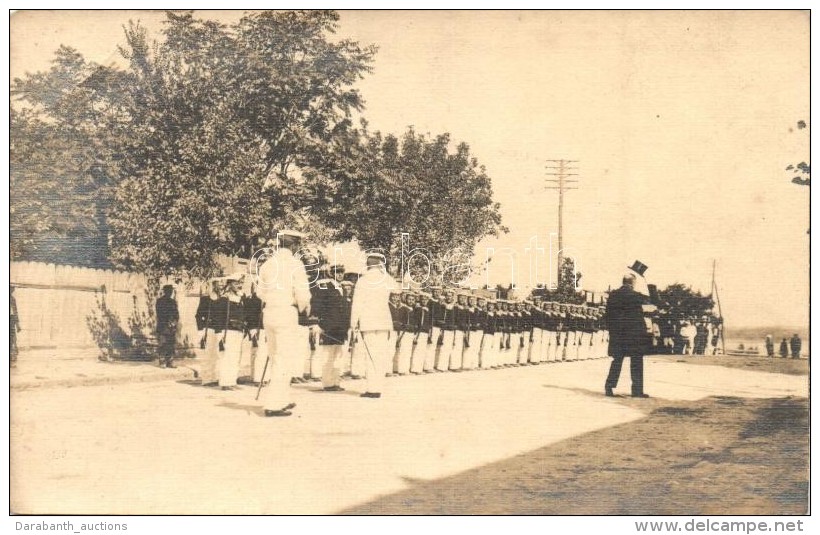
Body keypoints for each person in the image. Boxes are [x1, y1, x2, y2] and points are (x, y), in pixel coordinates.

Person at [257, 230, 312, 417]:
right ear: (294, 245)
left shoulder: (267, 264)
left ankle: (283, 398)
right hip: (286, 312)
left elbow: (259, 292)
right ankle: (273, 404)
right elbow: (303, 293)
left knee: (275, 356)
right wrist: (303, 305)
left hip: (269, 312)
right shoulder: (295, 264)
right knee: (284, 357)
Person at [350, 252, 395, 398]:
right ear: (381, 264)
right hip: (383, 322)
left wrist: (353, 324)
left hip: (367, 322)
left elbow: (356, 304)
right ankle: (378, 387)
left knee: (370, 355)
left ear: (368, 264)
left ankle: (372, 389)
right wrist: (385, 272)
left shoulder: (362, 281)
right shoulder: (386, 279)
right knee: (380, 354)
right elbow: (398, 289)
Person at [604, 272, 652, 398]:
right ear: (632, 283)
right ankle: (637, 391)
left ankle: (609, 387)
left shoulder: (613, 295)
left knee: (617, 361)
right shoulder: (635, 296)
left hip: (618, 335)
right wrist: (649, 282)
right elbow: (654, 300)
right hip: (634, 335)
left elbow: (608, 315)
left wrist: (613, 331)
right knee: (636, 361)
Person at [311, 267, 350, 391]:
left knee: (338, 355)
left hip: (341, 327)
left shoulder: (343, 288)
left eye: (341, 272)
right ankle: (328, 383)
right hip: (328, 326)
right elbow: (317, 304)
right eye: (337, 272)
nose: (340, 275)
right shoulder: (325, 287)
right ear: (331, 273)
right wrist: (318, 322)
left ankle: (336, 382)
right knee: (328, 355)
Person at [155, 285, 179, 368]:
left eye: (171, 291)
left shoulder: (173, 302)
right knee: (163, 344)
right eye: (169, 291)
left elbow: (176, 314)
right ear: (165, 291)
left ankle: (170, 362)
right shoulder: (160, 301)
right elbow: (159, 314)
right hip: (163, 326)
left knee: (171, 344)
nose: (170, 292)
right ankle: (162, 362)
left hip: (171, 327)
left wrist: (174, 322)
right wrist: (167, 321)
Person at [10, 286, 21, 368]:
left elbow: (15, 312)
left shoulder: (13, 299)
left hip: (12, 320)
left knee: (13, 338)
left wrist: (17, 325)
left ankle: (12, 355)